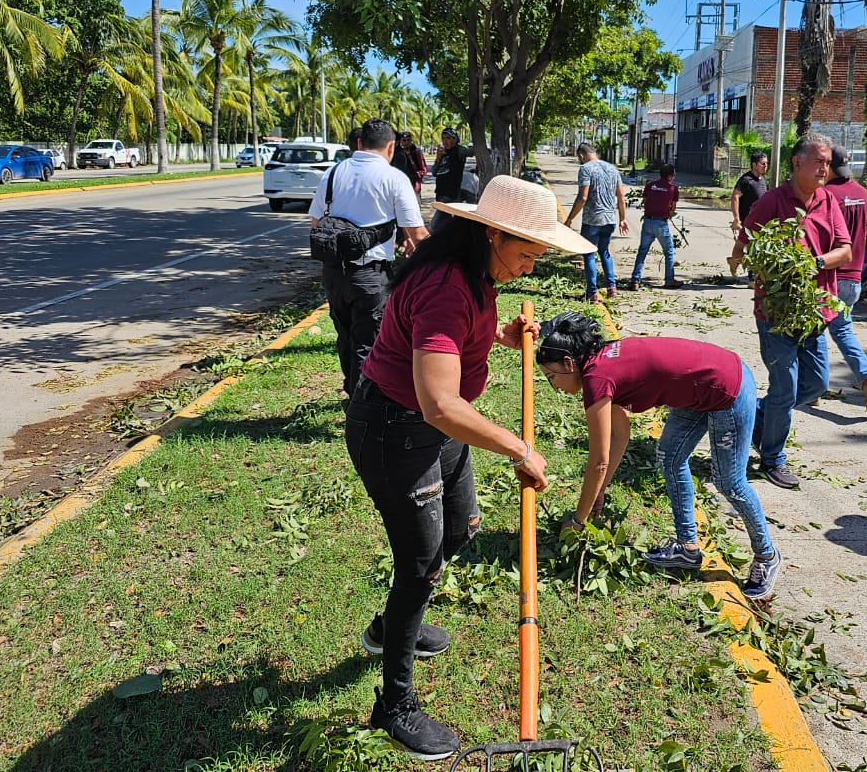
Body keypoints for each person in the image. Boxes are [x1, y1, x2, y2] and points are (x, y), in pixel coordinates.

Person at [345, 176, 594, 759]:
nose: (531, 268)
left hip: (432, 430)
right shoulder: (446, 286)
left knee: (459, 530)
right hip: (397, 430)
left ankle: (389, 629)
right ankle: (393, 705)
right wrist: (518, 447)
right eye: (528, 252)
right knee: (421, 566)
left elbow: (453, 344)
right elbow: (440, 402)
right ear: (491, 233)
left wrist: (502, 335)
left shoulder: (478, 274)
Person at [535, 312, 782, 601]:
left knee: (730, 482)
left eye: (552, 377)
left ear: (568, 363)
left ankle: (766, 555)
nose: (555, 388)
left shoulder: (596, 379)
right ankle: (688, 549)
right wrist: (599, 491)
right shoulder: (602, 361)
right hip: (701, 386)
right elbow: (619, 435)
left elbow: (598, 461)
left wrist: (578, 520)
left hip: (727, 387)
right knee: (670, 457)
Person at [730, 133, 851, 490]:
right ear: (797, 163)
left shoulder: (828, 202)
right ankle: (772, 458)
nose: (825, 169)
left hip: (814, 312)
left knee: (817, 383)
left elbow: (844, 251)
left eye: (828, 163)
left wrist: (814, 262)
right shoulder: (771, 202)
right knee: (785, 388)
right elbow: (744, 245)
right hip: (776, 312)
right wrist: (752, 264)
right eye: (819, 162)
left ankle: (758, 417)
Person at [309, 118, 429, 398]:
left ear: (360, 143)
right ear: (391, 147)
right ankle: (361, 409)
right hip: (370, 276)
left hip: (333, 274)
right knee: (368, 344)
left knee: (346, 337)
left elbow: (316, 225)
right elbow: (418, 234)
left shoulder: (333, 173)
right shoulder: (394, 178)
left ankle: (354, 397)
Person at [822, 146, 867, 412]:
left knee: (814, 334)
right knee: (843, 330)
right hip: (854, 277)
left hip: (831, 275)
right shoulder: (862, 193)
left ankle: (814, 387)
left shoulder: (825, 195)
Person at [563, 142, 629, 302]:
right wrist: (623, 219)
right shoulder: (612, 168)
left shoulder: (585, 169)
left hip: (592, 221)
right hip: (609, 220)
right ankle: (612, 287)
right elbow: (621, 196)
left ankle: (592, 293)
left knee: (589, 254)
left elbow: (583, 197)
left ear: (581, 155)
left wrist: (570, 218)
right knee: (605, 252)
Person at [630, 163, 683, 290]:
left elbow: (645, 202)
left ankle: (635, 280)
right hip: (661, 223)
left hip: (648, 222)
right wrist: (667, 212)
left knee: (642, 252)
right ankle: (669, 280)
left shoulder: (650, 185)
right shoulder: (673, 189)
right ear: (670, 176)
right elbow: (672, 208)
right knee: (669, 251)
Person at [728, 152, 769, 276]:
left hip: (761, 222)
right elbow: (735, 197)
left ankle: (734, 262)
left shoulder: (762, 180)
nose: (766, 166)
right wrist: (736, 219)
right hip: (748, 221)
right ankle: (752, 278)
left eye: (767, 163)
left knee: (752, 249)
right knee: (750, 248)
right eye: (763, 163)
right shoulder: (746, 180)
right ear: (754, 165)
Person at [430, 127, 471, 228]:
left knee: (434, 225)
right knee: (446, 225)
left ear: (455, 139)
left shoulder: (459, 151)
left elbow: (471, 151)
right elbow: (434, 172)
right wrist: (438, 159)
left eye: (448, 138)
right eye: (443, 138)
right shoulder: (443, 153)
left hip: (450, 195)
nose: (445, 141)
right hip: (440, 194)